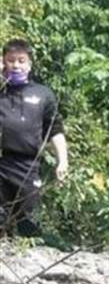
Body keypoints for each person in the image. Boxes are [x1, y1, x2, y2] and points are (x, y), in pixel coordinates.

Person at [0, 38, 68, 236]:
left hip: (28, 166)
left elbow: (55, 130)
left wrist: (62, 161)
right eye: (10, 60)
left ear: (29, 64)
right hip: (2, 162)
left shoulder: (43, 94)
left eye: (21, 61)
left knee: (30, 224)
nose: (16, 65)